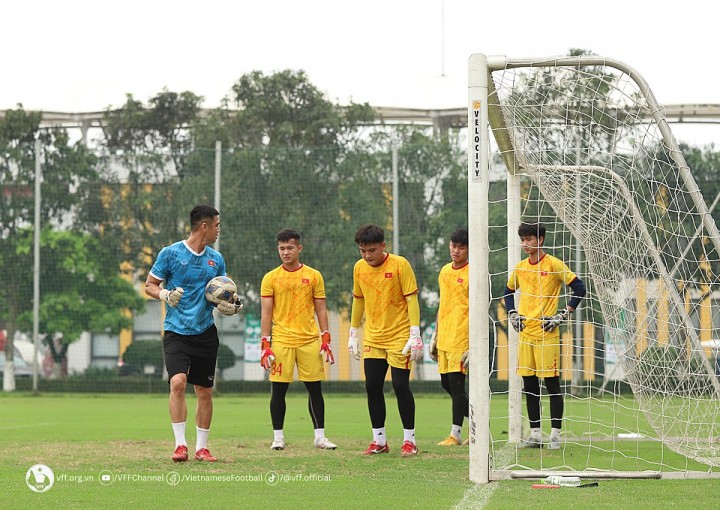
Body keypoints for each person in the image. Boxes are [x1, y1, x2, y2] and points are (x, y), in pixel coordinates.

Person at [145, 205, 243, 463]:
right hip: (176, 332)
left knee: (204, 390)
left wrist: (231, 304)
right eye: (217, 225)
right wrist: (165, 294)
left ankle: (202, 448)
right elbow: (149, 286)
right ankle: (180, 445)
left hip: (205, 333)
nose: (219, 230)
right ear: (204, 227)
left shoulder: (216, 259)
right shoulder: (170, 254)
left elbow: (220, 293)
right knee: (177, 382)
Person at [504, 222, 586, 450]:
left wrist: (563, 314)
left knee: (551, 384)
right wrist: (512, 312)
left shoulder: (553, 264)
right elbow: (508, 291)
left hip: (547, 334)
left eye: (529, 239)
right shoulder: (520, 267)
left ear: (539, 240)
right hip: (526, 334)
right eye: (522, 239)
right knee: (529, 385)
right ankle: (536, 435)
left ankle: (556, 436)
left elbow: (579, 287)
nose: (525, 244)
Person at [348, 224, 424, 457]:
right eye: (363, 251)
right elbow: (358, 300)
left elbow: (411, 300)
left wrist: (415, 334)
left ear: (383, 246)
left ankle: (409, 440)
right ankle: (379, 440)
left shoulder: (400, 265)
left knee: (401, 386)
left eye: (372, 250)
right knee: (372, 386)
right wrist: (353, 334)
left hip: (399, 335)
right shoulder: (359, 268)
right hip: (373, 336)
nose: (367, 255)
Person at [259, 228, 337, 451]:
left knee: (314, 389)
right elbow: (266, 312)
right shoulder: (270, 278)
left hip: (309, 340)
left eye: (290, 247)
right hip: (282, 340)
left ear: (299, 248)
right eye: (282, 248)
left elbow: (321, 309)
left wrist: (326, 338)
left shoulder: (314, 276)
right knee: (278, 390)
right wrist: (265, 343)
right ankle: (278, 437)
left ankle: (320, 437)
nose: (285, 252)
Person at [429, 228, 470, 446]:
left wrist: (473, 343)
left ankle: (455, 434)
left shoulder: (473, 272)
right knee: (446, 383)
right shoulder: (445, 271)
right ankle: (477, 424)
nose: (456, 250)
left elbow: (478, 309)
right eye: (453, 246)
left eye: (461, 247)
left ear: (469, 250)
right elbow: (442, 304)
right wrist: (435, 334)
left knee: (456, 386)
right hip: (445, 335)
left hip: (461, 337)